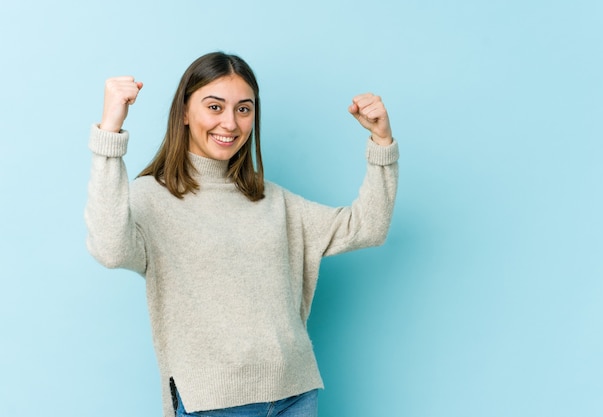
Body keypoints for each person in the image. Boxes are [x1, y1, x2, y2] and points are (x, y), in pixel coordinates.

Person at [85, 51, 399, 417]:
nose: (230, 124)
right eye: (214, 107)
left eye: (243, 109)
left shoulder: (273, 200)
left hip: (296, 395)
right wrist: (109, 135)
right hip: (214, 403)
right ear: (184, 113)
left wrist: (382, 143)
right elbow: (109, 248)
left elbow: (368, 227)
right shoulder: (152, 197)